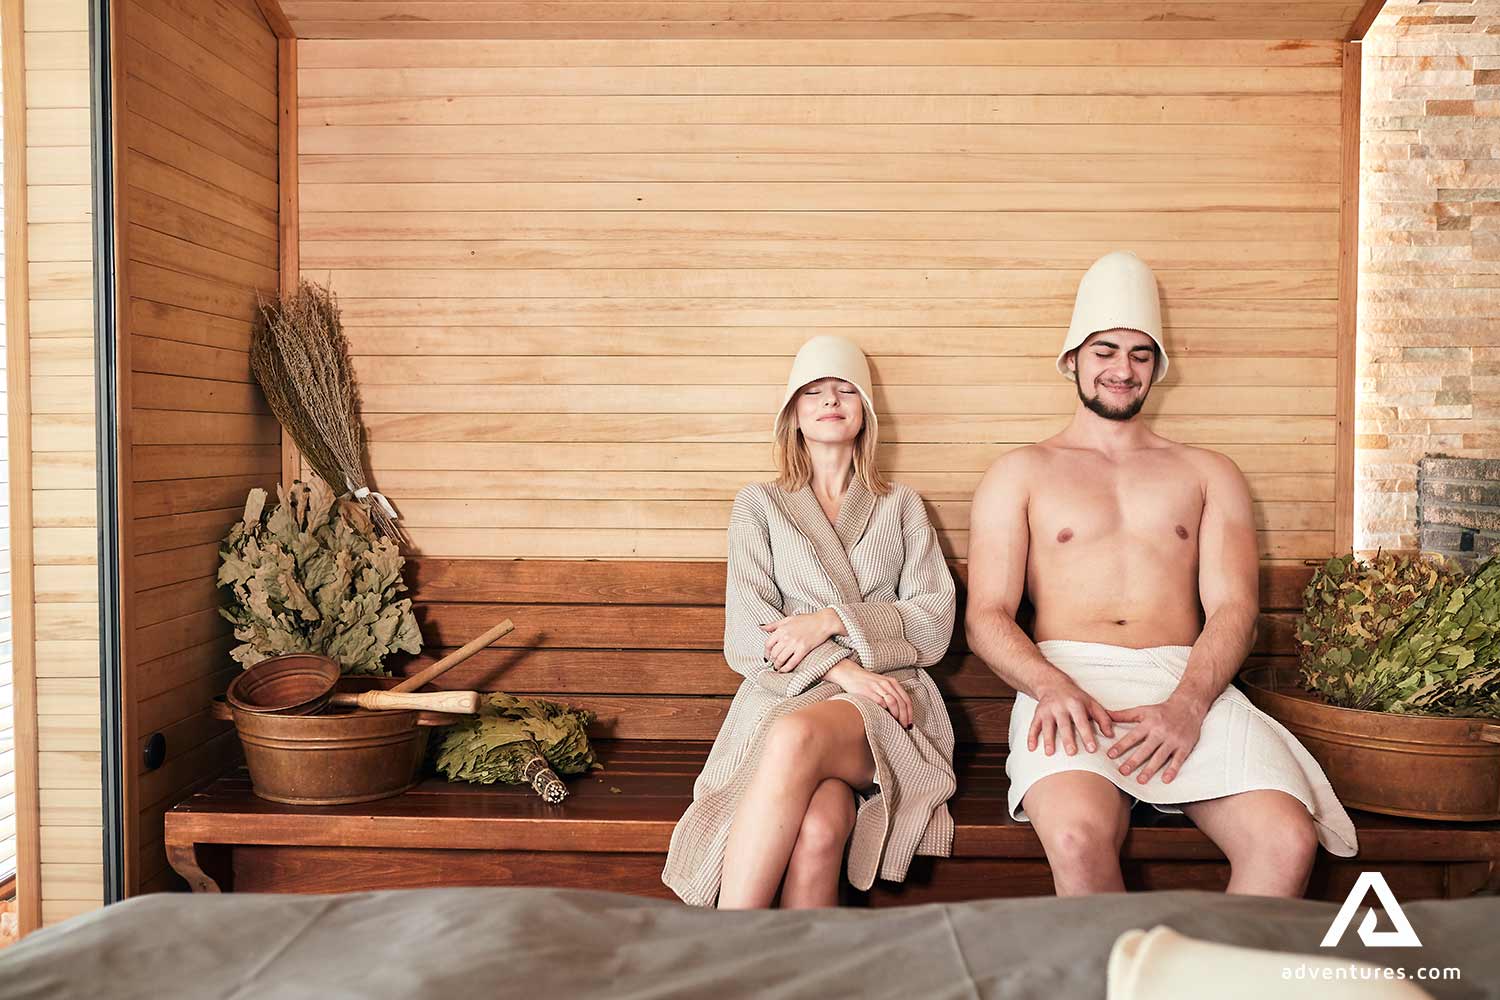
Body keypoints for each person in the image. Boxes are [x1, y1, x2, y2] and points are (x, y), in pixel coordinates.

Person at [964, 251, 1358, 898]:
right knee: (1075, 839)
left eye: (1140, 355)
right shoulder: (1020, 473)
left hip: (1186, 681)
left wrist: (1188, 705)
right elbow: (987, 616)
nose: (1123, 370)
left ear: (1158, 368)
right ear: (1073, 361)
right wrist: (1050, 685)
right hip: (1066, 683)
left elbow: (1234, 609)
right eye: (1106, 351)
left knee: (1286, 838)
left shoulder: (1208, 472)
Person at [662, 335, 958, 909]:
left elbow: (933, 621)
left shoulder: (901, 505)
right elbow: (749, 637)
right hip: (791, 696)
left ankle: (721, 943)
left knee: (794, 738)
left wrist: (828, 620)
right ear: (794, 414)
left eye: (845, 390)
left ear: (865, 413)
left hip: (887, 704)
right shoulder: (759, 505)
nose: (830, 400)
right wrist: (844, 670)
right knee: (821, 827)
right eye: (814, 392)